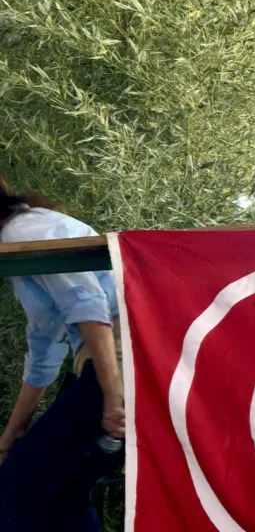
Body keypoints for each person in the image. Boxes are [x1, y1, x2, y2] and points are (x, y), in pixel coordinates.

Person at [0, 175, 125, 531]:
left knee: (14, 493)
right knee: (63, 498)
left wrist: (112, 394)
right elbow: (43, 351)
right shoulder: (21, 242)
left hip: (123, 354)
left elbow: (88, 304)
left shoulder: (23, 232)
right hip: (117, 357)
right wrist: (12, 435)